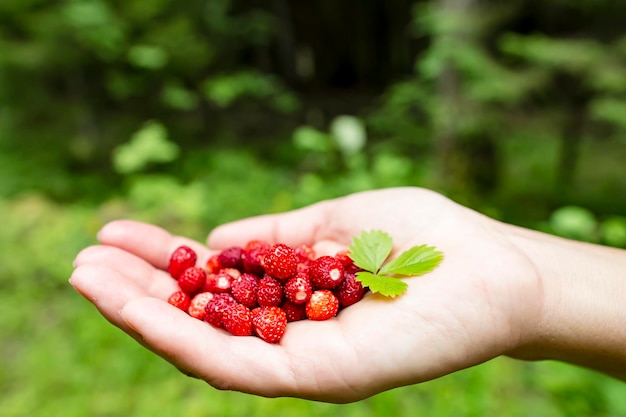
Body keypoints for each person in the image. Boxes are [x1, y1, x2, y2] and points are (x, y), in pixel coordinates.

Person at [70, 187, 626, 403]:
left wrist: (524, 281)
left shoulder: (319, 282)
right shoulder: (267, 288)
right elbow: (265, 290)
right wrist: (532, 284)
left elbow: (299, 288)